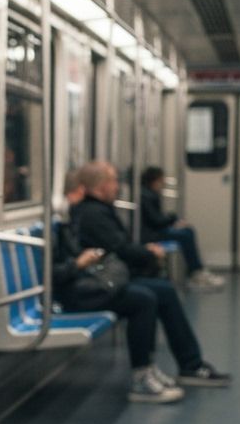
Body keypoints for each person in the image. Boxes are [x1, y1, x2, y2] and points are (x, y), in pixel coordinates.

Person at [65, 163, 231, 392]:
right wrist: (149, 253)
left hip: (104, 279)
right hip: (97, 284)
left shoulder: (98, 210)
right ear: (102, 186)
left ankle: (187, 364)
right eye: (113, 182)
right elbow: (120, 249)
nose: (117, 187)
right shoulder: (94, 214)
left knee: (162, 290)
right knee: (146, 297)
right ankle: (149, 371)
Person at [140, 165, 224, 290]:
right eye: (161, 180)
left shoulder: (149, 194)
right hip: (151, 234)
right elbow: (156, 220)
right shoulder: (146, 196)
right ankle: (195, 271)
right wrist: (173, 219)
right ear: (155, 180)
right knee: (184, 235)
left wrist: (172, 222)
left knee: (187, 231)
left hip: (155, 229)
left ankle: (196, 270)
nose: (163, 183)